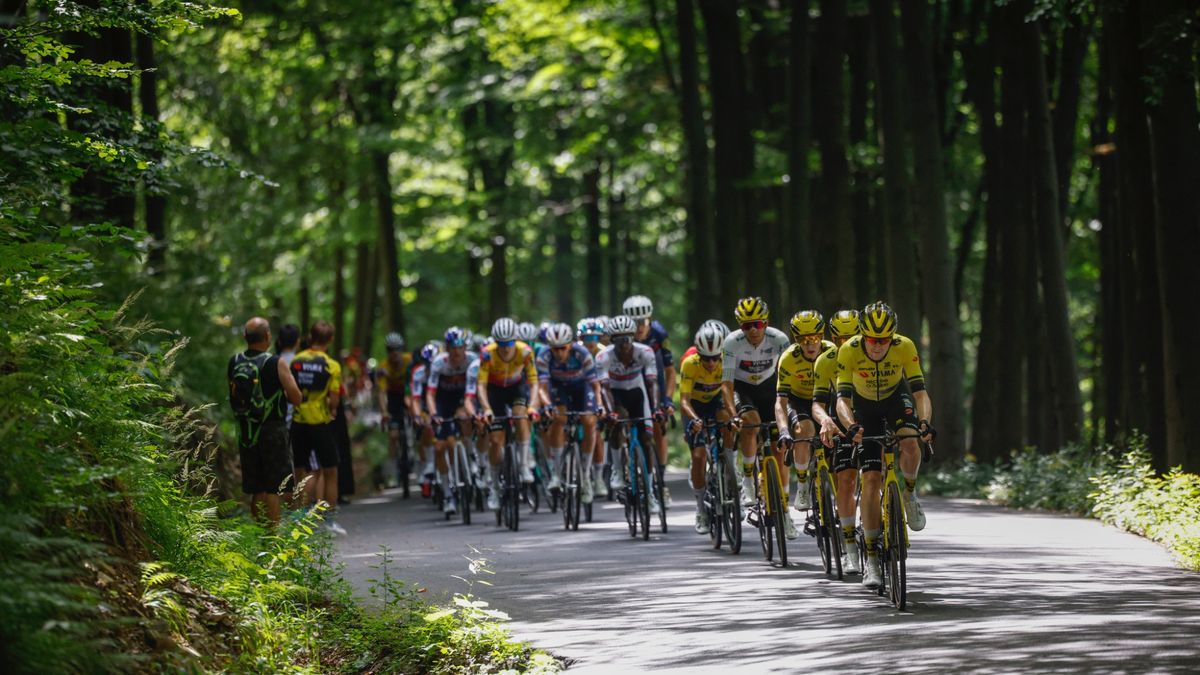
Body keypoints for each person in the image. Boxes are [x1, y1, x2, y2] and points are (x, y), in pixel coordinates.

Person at [835, 301, 932, 589]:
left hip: (894, 398)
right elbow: (842, 399)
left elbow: (920, 393)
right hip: (864, 407)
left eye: (884, 340)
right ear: (862, 335)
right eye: (872, 340)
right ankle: (872, 559)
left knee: (910, 440)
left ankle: (909, 494)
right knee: (871, 479)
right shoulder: (849, 349)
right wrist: (850, 426)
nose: (877, 346)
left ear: (892, 337)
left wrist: (924, 422)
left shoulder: (905, 346)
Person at [228, 318, 302, 527]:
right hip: (272, 431)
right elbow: (296, 397)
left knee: (256, 488)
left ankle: (259, 535)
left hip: (246, 432)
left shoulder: (234, 361)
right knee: (273, 488)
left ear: (245, 337)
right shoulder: (276, 362)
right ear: (268, 336)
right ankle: (272, 538)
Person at [720, 297, 791, 505]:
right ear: (740, 326)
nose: (753, 330)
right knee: (751, 425)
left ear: (766, 323)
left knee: (779, 450)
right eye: (746, 326)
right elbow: (727, 384)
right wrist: (733, 415)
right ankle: (748, 480)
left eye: (758, 324)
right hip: (744, 389)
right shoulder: (732, 342)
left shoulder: (779, 339)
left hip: (770, 388)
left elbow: (791, 375)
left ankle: (784, 505)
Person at [773, 310, 836, 540]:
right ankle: (801, 486)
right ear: (796, 340)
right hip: (798, 401)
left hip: (826, 399)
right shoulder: (788, 358)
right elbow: (780, 402)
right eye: (803, 339)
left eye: (815, 338)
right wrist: (783, 430)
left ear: (822, 336)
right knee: (804, 430)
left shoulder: (831, 352)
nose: (810, 344)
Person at [596, 314, 663, 514]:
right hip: (615, 394)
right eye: (618, 340)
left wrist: (656, 409)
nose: (624, 344)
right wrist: (610, 413)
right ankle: (617, 469)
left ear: (634, 338)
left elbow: (652, 383)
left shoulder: (646, 352)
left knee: (647, 439)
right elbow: (604, 388)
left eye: (627, 339)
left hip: (637, 393)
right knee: (616, 424)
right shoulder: (603, 356)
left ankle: (650, 493)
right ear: (611, 341)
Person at [812, 308, 862, 573]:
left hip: (871, 415)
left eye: (852, 337)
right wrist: (825, 421)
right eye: (840, 338)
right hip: (841, 419)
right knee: (846, 480)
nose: (846, 343)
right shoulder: (825, 361)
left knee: (878, 473)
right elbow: (817, 404)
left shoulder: (874, 354)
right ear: (833, 338)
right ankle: (850, 545)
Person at [289, 320, 346, 534]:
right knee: (330, 471)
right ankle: (329, 521)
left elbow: (290, 391)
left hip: (298, 421)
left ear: (311, 337)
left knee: (301, 471)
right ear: (330, 339)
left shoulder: (296, 361)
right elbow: (334, 399)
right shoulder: (332, 365)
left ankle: (300, 519)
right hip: (320, 423)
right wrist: (332, 410)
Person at [476, 317, 540, 502]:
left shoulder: (525, 351)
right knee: (496, 441)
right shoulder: (487, 354)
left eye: (510, 343)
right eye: (501, 344)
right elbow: (481, 385)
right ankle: (495, 488)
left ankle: (523, 465)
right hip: (494, 391)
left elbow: (534, 382)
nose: (506, 348)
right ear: (495, 342)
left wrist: (532, 406)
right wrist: (487, 409)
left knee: (521, 416)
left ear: (516, 340)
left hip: (515, 388)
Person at [537, 322, 602, 504]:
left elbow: (595, 385)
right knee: (559, 419)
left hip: (582, 387)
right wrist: (547, 405)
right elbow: (542, 387)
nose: (559, 353)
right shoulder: (543, 356)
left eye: (563, 348)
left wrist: (600, 405)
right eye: (555, 349)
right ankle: (557, 474)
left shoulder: (582, 353)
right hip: (559, 388)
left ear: (570, 345)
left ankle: (586, 477)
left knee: (589, 422)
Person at [679, 324, 735, 534]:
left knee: (728, 422)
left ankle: (731, 469)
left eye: (715, 358)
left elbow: (728, 392)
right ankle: (701, 509)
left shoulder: (727, 361)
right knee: (699, 456)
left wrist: (735, 416)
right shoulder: (689, 364)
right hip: (694, 407)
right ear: (698, 355)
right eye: (706, 358)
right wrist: (694, 420)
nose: (711, 363)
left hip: (715, 402)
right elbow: (684, 401)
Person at [623, 295, 676, 504]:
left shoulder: (659, 334)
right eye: (634, 322)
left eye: (643, 322)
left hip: (656, 385)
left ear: (650, 320)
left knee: (659, 429)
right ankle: (628, 470)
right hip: (630, 385)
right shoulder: (620, 335)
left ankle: (660, 482)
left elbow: (670, 371)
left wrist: (668, 399)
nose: (639, 327)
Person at [425, 327, 480, 515]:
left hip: (465, 398)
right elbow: (430, 394)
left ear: (465, 347)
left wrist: (471, 408)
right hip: (443, 402)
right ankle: (448, 494)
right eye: (452, 347)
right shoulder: (438, 364)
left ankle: (472, 456)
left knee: (466, 419)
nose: (457, 352)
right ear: (447, 348)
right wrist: (434, 414)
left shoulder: (473, 360)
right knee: (440, 447)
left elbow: (477, 387)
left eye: (460, 347)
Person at [576, 317, 609, 496]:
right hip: (578, 392)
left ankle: (597, 477)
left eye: (594, 338)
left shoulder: (604, 353)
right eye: (586, 338)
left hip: (598, 393)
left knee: (596, 434)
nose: (590, 342)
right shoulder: (574, 352)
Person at [376, 332, 413, 489]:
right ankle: (392, 472)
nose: (394, 353)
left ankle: (415, 452)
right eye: (391, 350)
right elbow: (381, 393)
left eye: (397, 349)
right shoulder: (383, 367)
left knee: (418, 421)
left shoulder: (409, 360)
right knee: (393, 436)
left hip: (409, 393)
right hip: (393, 398)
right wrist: (384, 412)